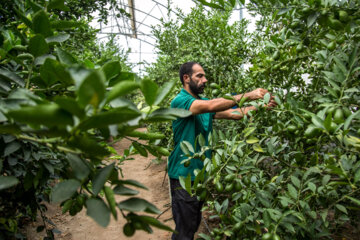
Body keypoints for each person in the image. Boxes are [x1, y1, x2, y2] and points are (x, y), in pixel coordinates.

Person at [168, 62, 277, 240]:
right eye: (200, 76)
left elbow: (234, 113)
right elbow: (211, 105)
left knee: (192, 224)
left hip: (200, 175)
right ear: (186, 78)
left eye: (204, 76)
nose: (205, 80)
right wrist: (250, 95)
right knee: (184, 231)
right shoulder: (180, 101)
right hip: (183, 176)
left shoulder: (202, 103)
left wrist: (262, 106)